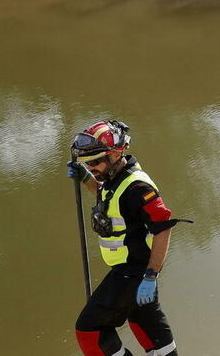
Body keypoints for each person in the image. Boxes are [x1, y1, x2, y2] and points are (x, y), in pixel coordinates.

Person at [66, 120, 186, 356]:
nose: (93, 166)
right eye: (88, 163)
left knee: (90, 330)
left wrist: (151, 275)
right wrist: (86, 178)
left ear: (116, 153)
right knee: (144, 321)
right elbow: (109, 198)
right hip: (131, 269)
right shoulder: (115, 178)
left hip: (133, 271)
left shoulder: (138, 187)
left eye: (97, 161)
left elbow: (163, 227)